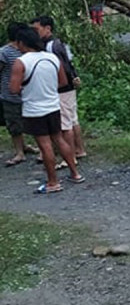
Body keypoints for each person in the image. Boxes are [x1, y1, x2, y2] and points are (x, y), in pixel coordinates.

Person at [8, 27, 83, 193]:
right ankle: (75, 173)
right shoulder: (51, 58)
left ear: (21, 43)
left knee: (45, 145)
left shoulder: (21, 62)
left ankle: (53, 182)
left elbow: (13, 89)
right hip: (53, 106)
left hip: (34, 109)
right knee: (59, 139)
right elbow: (63, 82)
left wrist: (28, 89)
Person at [30, 16, 86, 161]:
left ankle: (70, 156)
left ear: (47, 28)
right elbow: (69, 63)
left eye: (37, 29)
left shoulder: (50, 46)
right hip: (68, 85)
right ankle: (79, 150)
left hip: (62, 87)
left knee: (65, 124)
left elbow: (61, 67)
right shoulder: (58, 43)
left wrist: (59, 83)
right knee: (72, 119)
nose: (35, 32)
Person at [0, 22, 27, 166]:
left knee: (31, 123)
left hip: (28, 94)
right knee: (14, 124)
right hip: (10, 95)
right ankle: (19, 151)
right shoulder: (4, 52)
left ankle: (26, 147)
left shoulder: (27, 50)